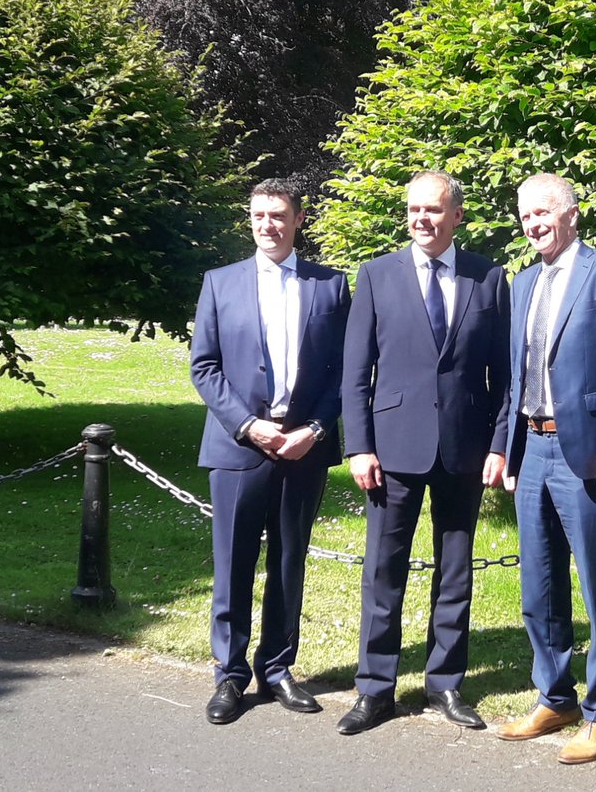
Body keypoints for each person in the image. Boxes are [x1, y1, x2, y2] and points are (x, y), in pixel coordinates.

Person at [337, 170, 511, 735]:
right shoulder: (376, 276)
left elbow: (506, 377)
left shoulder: (489, 277)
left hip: (464, 449)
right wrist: (358, 446)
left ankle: (445, 684)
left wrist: (499, 444)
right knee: (383, 571)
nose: (422, 219)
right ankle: (375, 688)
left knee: (455, 571)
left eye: (434, 210)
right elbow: (354, 373)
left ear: (457, 215)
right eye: (414, 209)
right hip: (391, 452)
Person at [496, 173, 596, 764]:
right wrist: (508, 451)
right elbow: (514, 380)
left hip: (587, 453)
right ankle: (555, 697)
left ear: (571, 214)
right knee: (537, 586)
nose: (534, 224)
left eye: (543, 213)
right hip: (532, 450)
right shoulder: (523, 284)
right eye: (526, 216)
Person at [189, 178, 351, 725]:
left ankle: (278, 668)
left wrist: (316, 429)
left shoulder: (331, 286)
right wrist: (247, 425)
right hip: (239, 447)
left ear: (298, 219)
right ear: (249, 218)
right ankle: (230, 675)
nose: (268, 225)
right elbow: (204, 368)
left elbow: (343, 376)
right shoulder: (220, 283)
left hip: (302, 445)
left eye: (279, 215)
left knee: (288, 561)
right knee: (233, 563)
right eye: (259, 215)